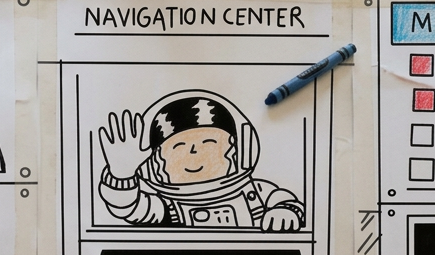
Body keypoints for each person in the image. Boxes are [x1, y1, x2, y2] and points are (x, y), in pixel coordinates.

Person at [97, 91, 304, 230]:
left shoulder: (254, 193)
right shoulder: (167, 208)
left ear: (232, 149)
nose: (194, 151)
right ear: (159, 160)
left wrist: (284, 211)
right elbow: (129, 208)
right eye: (179, 146)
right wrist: (121, 174)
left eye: (209, 142)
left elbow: (281, 197)